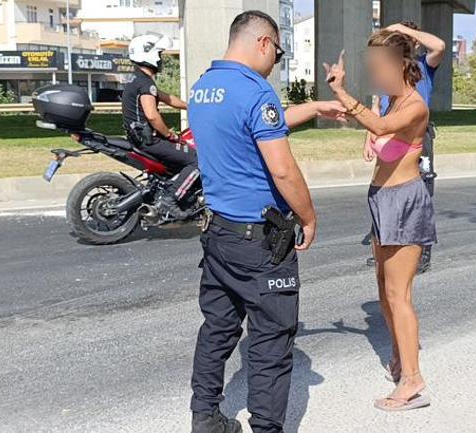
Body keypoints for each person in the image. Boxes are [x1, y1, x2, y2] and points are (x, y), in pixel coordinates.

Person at [187, 10, 346, 433]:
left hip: (218, 233)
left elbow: (250, 124)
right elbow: (282, 171)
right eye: (278, 50)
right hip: (260, 243)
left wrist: (312, 107)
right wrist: (308, 216)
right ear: (262, 43)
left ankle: (204, 417)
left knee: (218, 327)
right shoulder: (257, 91)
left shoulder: (203, 88)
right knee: (271, 341)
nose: (276, 59)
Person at [324, 29, 436, 411]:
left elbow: (385, 129)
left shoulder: (415, 106)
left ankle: (414, 380)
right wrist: (368, 138)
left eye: (379, 66)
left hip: (405, 202)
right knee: (383, 290)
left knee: (398, 295)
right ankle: (400, 356)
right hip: (381, 201)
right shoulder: (391, 101)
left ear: (402, 65)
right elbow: (380, 132)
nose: (373, 73)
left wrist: (342, 93)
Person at [364, 21, 445, 274]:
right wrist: (368, 137)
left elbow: (440, 46)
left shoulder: (423, 65)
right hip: (390, 134)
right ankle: (385, 243)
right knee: (387, 188)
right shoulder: (387, 71)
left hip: (417, 134)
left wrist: (404, 30)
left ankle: (420, 252)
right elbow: (377, 108)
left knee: (420, 188)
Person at [123, 33, 197, 219]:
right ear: (149, 55)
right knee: (198, 160)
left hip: (138, 138)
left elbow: (168, 98)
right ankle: (170, 198)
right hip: (148, 141)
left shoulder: (139, 80)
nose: (161, 59)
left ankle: (169, 187)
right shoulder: (145, 83)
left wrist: (193, 106)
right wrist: (170, 135)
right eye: (159, 54)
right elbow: (152, 115)